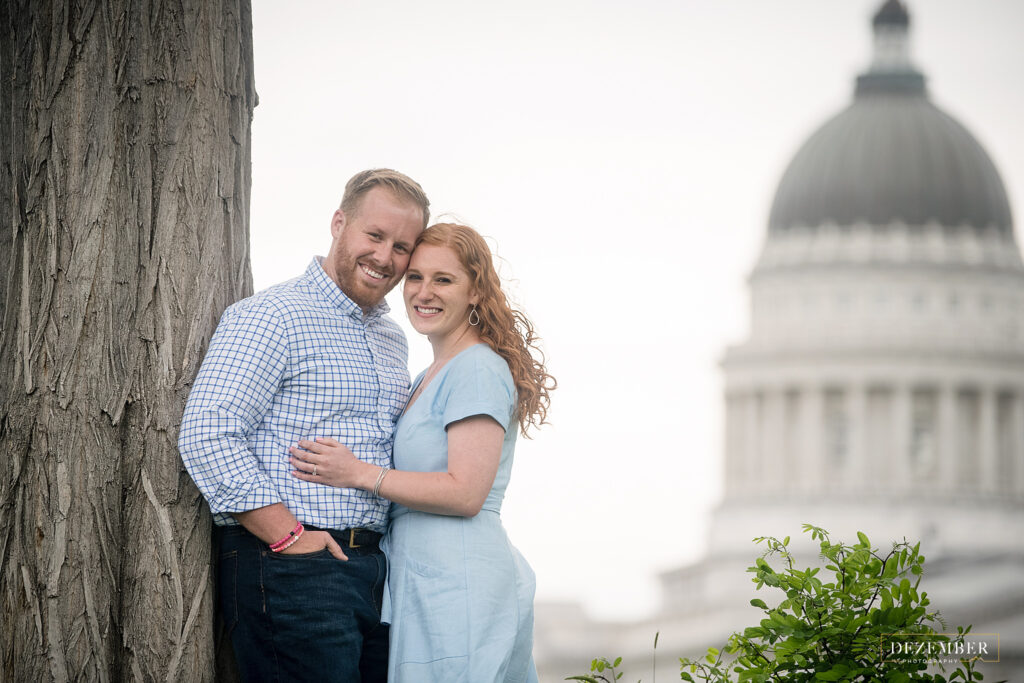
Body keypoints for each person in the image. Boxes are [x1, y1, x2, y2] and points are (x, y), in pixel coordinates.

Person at [177, 169, 429, 682]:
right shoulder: (272, 314)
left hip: (373, 570)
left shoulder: (391, 337)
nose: (385, 257)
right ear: (339, 223)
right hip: (293, 567)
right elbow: (208, 430)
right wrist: (289, 537)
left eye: (402, 246)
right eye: (374, 236)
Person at [289, 223, 555, 683]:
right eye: (415, 277)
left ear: (476, 291)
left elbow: (466, 492)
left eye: (443, 279)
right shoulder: (431, 373)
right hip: (424, 579)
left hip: (461, 579)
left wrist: (357, 473)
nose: (424, 292)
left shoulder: (476, 368)